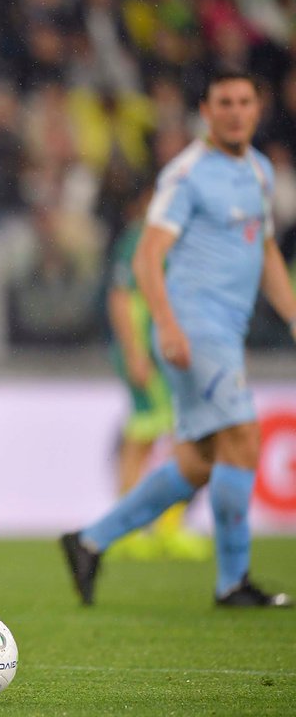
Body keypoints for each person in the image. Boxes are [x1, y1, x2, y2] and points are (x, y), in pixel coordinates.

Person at [62, 69, 296, 608]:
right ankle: (233, 583)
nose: (236, 111)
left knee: (198, 461)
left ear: (257, 109)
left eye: (245, 101)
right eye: (224, 102)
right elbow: (148, 256)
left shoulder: (259, 171)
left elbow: (266, 254)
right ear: (206, 111)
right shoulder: (186, 175)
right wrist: (166, 324)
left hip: (224, 333)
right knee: (243, 440)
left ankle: (90, 540)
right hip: (195, 329)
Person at [104, 194, 209, 562]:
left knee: (171, 435)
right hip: (148, 354)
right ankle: (132, 528)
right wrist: (134, 353)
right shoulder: (140, 238)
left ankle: (160, 526)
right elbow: (121, 297)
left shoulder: (176, 239)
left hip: (169, 353)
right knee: (147, 436)